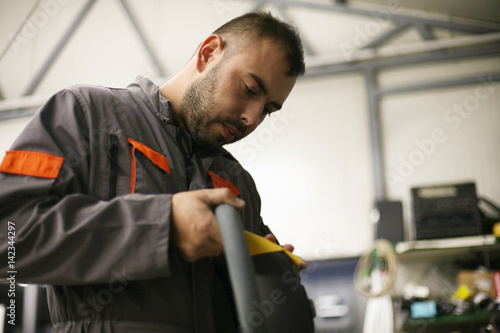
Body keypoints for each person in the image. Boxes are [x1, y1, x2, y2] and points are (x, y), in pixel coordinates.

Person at [0, 11, 305, 333]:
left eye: (268, 110)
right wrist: (161, 225)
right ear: (209, 53)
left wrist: (267, 279)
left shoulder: (238, 182)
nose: (252, 119)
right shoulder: (86, 114)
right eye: (249, 89)